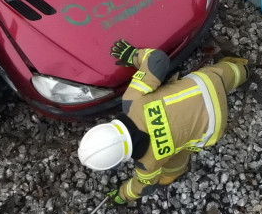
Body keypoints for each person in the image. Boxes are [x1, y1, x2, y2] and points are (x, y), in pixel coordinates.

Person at [78, 40, 248, 204]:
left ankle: (172, 175)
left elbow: (144, 188)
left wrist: (122, 195)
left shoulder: (148, 163)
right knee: (227, 73)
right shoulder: (133, 100)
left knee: (176, 156)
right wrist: (133, 55)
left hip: (214, 125)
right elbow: (157, 60)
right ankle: (244, 70)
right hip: (207, 86)